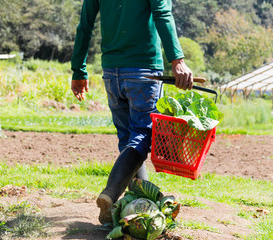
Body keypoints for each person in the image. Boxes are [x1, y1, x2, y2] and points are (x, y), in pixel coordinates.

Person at [71, 0, 193, 225]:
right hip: (144, 70)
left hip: (111, 72)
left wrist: (79, 69)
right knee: (143, 137)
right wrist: (178, 61)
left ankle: (136, 207)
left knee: (128, 139)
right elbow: (162, 13)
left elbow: (84, 26)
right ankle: (111, 192)